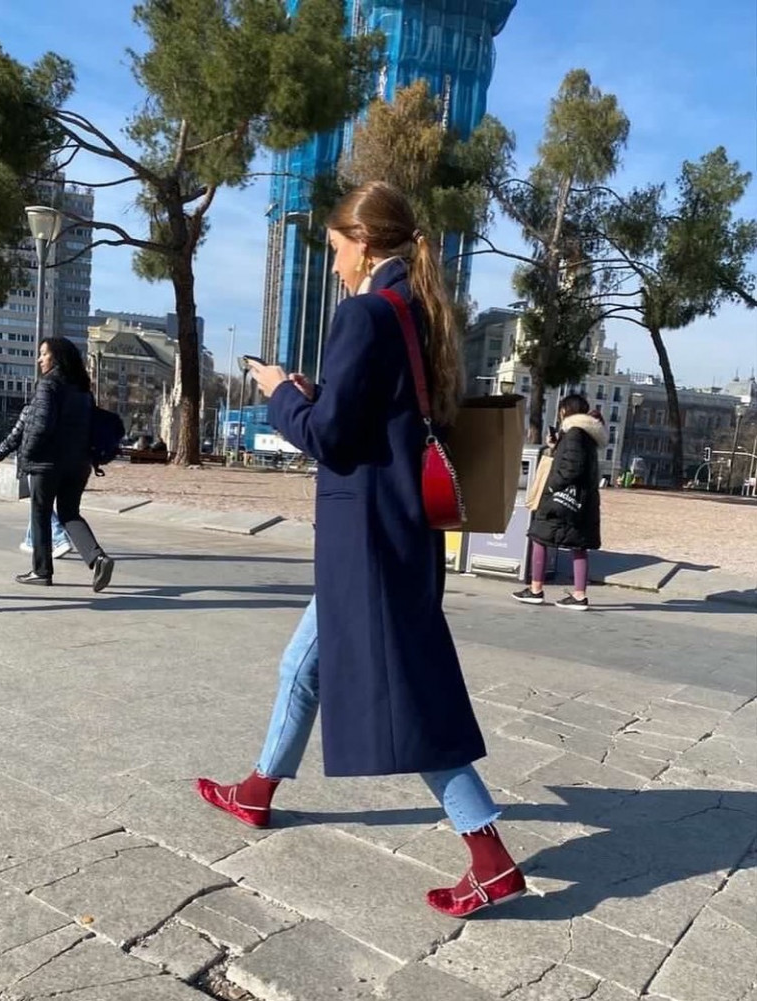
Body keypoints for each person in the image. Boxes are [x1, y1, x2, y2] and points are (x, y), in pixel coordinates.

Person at [196, 181, 525, 919]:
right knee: (304, 665)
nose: (336, 262)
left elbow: (331, 438)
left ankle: (490, 857)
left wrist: (282, 393)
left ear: (365, 241)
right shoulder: (420, 311)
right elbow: (372, 418)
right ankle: (257, 790)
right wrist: (318, 394)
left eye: (338, 246)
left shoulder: (364, 313)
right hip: (398, 531)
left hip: (368, 540)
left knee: (409, 699)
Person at [16, 336, 114, 591]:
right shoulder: (83, 389)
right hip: (79, 463)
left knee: (40, 513)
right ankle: (97, 557)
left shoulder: (48, 385)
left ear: (56, 357)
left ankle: (41, 571)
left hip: (48, 463)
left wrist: (26, 458)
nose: (39, 359)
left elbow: (39, 425)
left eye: (43, 354)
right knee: (70, 512)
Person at [513, 393, 606, 610]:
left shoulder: (574, 433)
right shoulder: (587, 435)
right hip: (581, 501)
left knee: (539, 536)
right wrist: (555, 445)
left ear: (566, 411)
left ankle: (535, 589)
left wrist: (553, 485)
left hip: (562, 498)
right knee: (578, 545)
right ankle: (579, 595)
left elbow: (571, 467)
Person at [0, 405, 72, 559]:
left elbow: (15, 435)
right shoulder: (63, 409)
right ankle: (31, 540)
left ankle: (60, 538)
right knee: (38, 503)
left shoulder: (32, 410)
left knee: (40, 504)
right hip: (59, 464)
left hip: (35, 463)